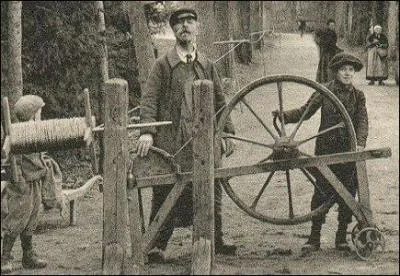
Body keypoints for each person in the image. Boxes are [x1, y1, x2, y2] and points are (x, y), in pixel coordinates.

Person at [137, 7, 237, 263]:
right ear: (173, 30)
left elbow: (221, 103)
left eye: (190, 22)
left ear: (197, 27)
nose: (185, 27)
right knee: (165, 192)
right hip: (173, 142)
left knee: (211, 189)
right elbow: (148, 101)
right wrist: (147, 132)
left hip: (203, 142)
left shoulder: (207, 65)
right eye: (179, 23)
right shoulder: (163, 65)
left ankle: (214, 240)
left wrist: (226, 133)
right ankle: (156, 245)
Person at [273, 52, 368, 252]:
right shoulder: (324, 91)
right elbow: (304, 112)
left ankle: (341, 237)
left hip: (348, 152)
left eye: (351, 70)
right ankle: (314, 237)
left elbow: (362, 122)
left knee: (348, 192)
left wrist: (360, 143)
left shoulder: (358, 96)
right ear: (336, 72)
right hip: (326, 150)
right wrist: (284, 116)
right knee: (321, 192)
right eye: (343, 70)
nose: (347, 74)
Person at [1, 95, 49, 273]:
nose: (41, 115)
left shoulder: (34, 132)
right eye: (39, 112)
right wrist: (17, 180)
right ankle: (4, 257)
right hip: (21, 183)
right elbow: (11, 161)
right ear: (32, 115)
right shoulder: (19, 134)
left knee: (31, 218)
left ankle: (28, 256)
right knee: (17, 218)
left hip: (34, 179)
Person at [315, 19, 343, 83]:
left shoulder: (333, 33)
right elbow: (325, 43)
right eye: (331, 25)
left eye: (333, 25)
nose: (332, 27)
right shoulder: (326, 33)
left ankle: (328, 80)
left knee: (329, 67)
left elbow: (332, 44)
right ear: (328, 26)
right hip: (327, 54)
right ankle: (327, 81)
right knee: (327, 67)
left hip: (331, 52)